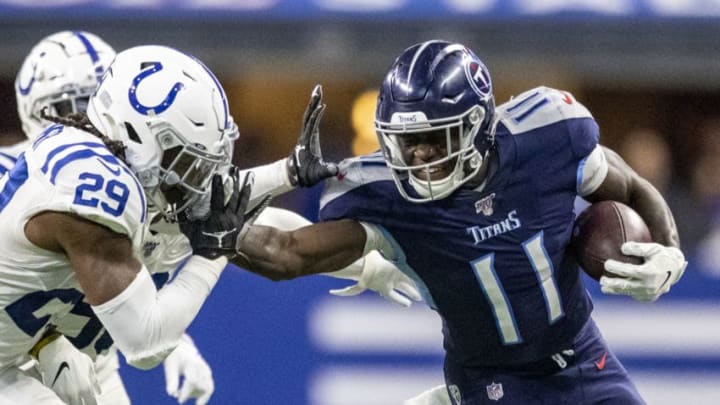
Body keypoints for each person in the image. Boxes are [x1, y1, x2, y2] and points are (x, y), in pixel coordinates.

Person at [212, 40, 688, 404]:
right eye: (407, 141)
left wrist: (670, 250)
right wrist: (217, 229)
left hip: (583, 358)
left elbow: (630, 187)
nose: (418, 156)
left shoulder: (547, 136)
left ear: (478, 126)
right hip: (489, 383)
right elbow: (289, 252)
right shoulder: (387, 197)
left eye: (434, 139)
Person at [2, 38, 419, 405]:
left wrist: (288, 175)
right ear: (142, 136)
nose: (200, 177)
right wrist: (212, 251)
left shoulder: (124, 175)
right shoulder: (93, 190)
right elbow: (146, 343)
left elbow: (253, 225)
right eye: (188, 160)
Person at [4, 31, 218, 405]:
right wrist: (46, 347)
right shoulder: (36, 176)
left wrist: (176, 339)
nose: (77, 117)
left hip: (80, 349)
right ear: (30, 112)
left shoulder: (132, 184)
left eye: (88, 103)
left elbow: (116, 284)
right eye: (63, 106)